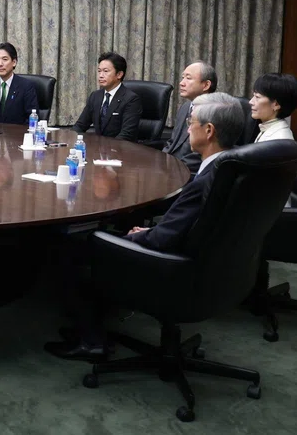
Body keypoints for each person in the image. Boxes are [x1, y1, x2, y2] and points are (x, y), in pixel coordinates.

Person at [45, 92, 245, 360]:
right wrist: (150, 232)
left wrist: (132, 239)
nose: (186, 127)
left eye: (191, 122)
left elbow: (163, 240)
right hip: (201, 263)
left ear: (209, 131)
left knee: (71, 245)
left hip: (172, 265)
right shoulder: (227, 169)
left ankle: (92, 339)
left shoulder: (204, 181)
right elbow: (181, 228)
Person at [71, 52, 143, 141]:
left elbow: (127, 134)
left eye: (105, 71)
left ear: (119, 74)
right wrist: (69, 140)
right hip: (99, 150)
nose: (101, 75)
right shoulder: (95, 96)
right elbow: (80, 126)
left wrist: (107, 150)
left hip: (120, 150)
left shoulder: (131, 99)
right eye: (99, 71)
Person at [162, 61, 218, 174]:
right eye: (183, 78)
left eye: (188, 78)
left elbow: (202, 154)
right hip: (171, 167)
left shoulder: (214, 112)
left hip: (189, 173)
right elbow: (172, 142)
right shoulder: (186, 106)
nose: (182, 83)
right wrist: (160, 161)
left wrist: (171, 167)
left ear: (206, 85)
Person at [0, 42, 39, 125]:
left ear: (14, 62)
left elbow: (31, 118)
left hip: (17, 136)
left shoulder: (26, 86)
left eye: (5, 59)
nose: (0, 64)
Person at [250, 73, 297, 143]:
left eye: (257, 97)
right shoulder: (268, 128)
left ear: (276, 105)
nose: (250, 102)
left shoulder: (279, 140)